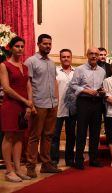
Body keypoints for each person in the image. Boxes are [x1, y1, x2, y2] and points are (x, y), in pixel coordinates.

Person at [25, 34, 61, 178]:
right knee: (35, 136)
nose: (48, 46)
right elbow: (28, 83)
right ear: (38, 44)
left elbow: (54, 82)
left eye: (50, 44)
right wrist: (30, 103)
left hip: (52, 103)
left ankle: (46, 164)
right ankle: (31, 165)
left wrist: (56, 100)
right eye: (45, 43)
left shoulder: (52, 63)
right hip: (38, 103)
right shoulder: (31, 61)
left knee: (48, 135)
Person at [0, 36, 32, 182]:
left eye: (22, 46)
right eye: (17, 46)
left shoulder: (25, 67)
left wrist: (29, 103)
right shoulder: (4, 65)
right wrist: (25, 101)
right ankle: (9, 170)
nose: (20, 49)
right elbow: (6, 88)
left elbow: (28, 86)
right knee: (9, 137)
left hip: (24, 106)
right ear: (11, 48)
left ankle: (18, 169)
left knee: (20, 137)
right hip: (10, 105)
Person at [71, 47, 106, 169]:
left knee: (95, 132)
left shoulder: (102, 71)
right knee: (81, 132)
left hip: (97, 103)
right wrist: (86, 91)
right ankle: (79, 160)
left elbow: (102, 86)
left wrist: (101, 91)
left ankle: (94, 159)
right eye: (91, 54)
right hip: (84, 102)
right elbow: (73, 85)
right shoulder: (80, 69)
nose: (94, 56)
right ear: (87, 55)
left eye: (96, 54)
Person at [50, 49, 76, 167]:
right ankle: (54, 159)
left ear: (71, 58)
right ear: (60, 58)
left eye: (68, 57)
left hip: (72, 109)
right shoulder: (55, 71)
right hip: (58, 108)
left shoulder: (76, 72)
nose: (66, 59)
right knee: (55, 135)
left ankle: (69, 159)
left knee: (71, 136)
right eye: (63, 57)